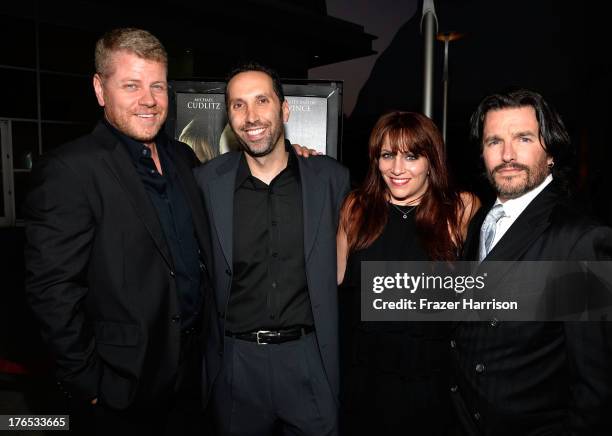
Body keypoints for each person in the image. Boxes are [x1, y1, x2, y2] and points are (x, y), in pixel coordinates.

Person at [23, 28, 212, 435]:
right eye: (131, 85)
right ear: (99, 88)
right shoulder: (70, 170)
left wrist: (295, 158)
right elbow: (52, 291)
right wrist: (88, 385)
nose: (149, 100)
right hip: (123, 389)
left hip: (194, 379)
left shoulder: (183, 158)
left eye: (157, 86)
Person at [194, 62, 350, 435]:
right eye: (238, 104)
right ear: (228, 117)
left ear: (284, 109)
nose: (251, 116)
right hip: (236, 364)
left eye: (262, 100)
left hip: (309, 358)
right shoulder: (204, 183)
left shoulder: (330, 179)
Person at [452, 89, 612, 435]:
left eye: (523, 138)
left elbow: (595, 388)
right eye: (494, 141)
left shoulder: (580, 240)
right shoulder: (481, 221)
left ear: (551, 152)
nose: (507, 155)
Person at [336, 111, 479, 435]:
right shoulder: (355, 208)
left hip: (434, 384)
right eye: (387, 155)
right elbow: (331, 284)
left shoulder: (460, 209)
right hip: (366, 381)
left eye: (411, 156)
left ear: (432, 160)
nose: (397, 169)